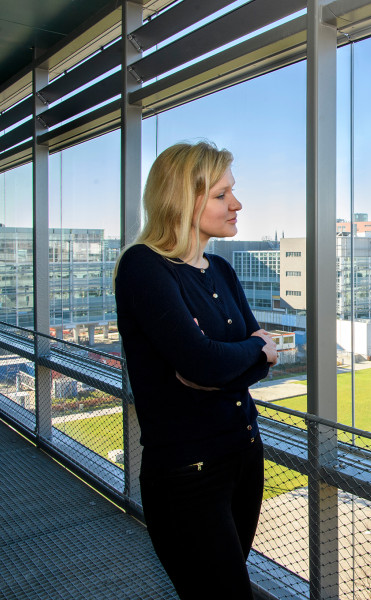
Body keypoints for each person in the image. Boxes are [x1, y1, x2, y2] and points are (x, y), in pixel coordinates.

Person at [114, 141, 277, 599]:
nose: (237, 204)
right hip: (188, 473)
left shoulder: (221, 269)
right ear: (185, 199)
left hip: (245, 456)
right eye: (223, 194)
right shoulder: (144, 267)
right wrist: (248, 352)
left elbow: (236, 364)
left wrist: (231, 360)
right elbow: (204, 362)